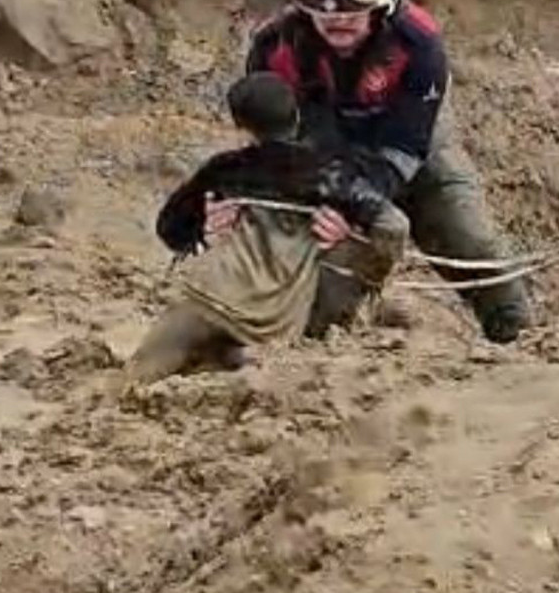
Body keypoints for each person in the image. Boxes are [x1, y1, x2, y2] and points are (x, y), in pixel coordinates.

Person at [241, 0, 531, 344]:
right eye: (319, 11)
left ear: (382, 4)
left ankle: (519, 337)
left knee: (469, 237)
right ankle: (312, 338)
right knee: (346, 241)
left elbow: (406, 148)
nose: (336, 19)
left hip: (412, 142)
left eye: (353, 10)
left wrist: (360, 202)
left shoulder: (420, 46)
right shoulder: (274, 50)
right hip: (325, 150)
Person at [123, 71, 409, 385]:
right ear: (296, 116)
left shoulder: (225, 170)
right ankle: (232, 357)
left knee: (134, 379)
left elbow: (170, 228)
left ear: (242, 128)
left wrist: (205, 230)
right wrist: (366, 267)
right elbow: (393, 227)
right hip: (274, 324)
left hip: (208, 299)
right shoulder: (330, 174)